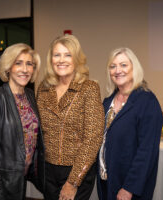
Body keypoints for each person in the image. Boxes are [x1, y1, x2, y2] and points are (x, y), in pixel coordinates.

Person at [37, 34, 104, 200]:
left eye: (68, 55)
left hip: (76, 171)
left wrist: (72, 182)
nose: (61, 60)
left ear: (77, 59)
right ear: (51, 59)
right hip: (47, 170)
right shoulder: (43, 88)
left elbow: (93, 138)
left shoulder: (89, 88)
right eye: (57, 55)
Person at [0, 43, 44, 200]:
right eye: (18, 63)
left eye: (29, 64)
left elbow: (30, 141)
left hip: (19, 181)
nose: (24, 69)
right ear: (8, 67)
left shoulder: (30, 96)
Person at [97, 47, 163, 200]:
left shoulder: (147, 102)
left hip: (129, 187)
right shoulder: (108, 101)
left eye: (123, 65)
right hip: (106, 180)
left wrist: (129, 188)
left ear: (134, 67)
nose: (117, 70)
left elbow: (147, 152)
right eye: (113, 66)